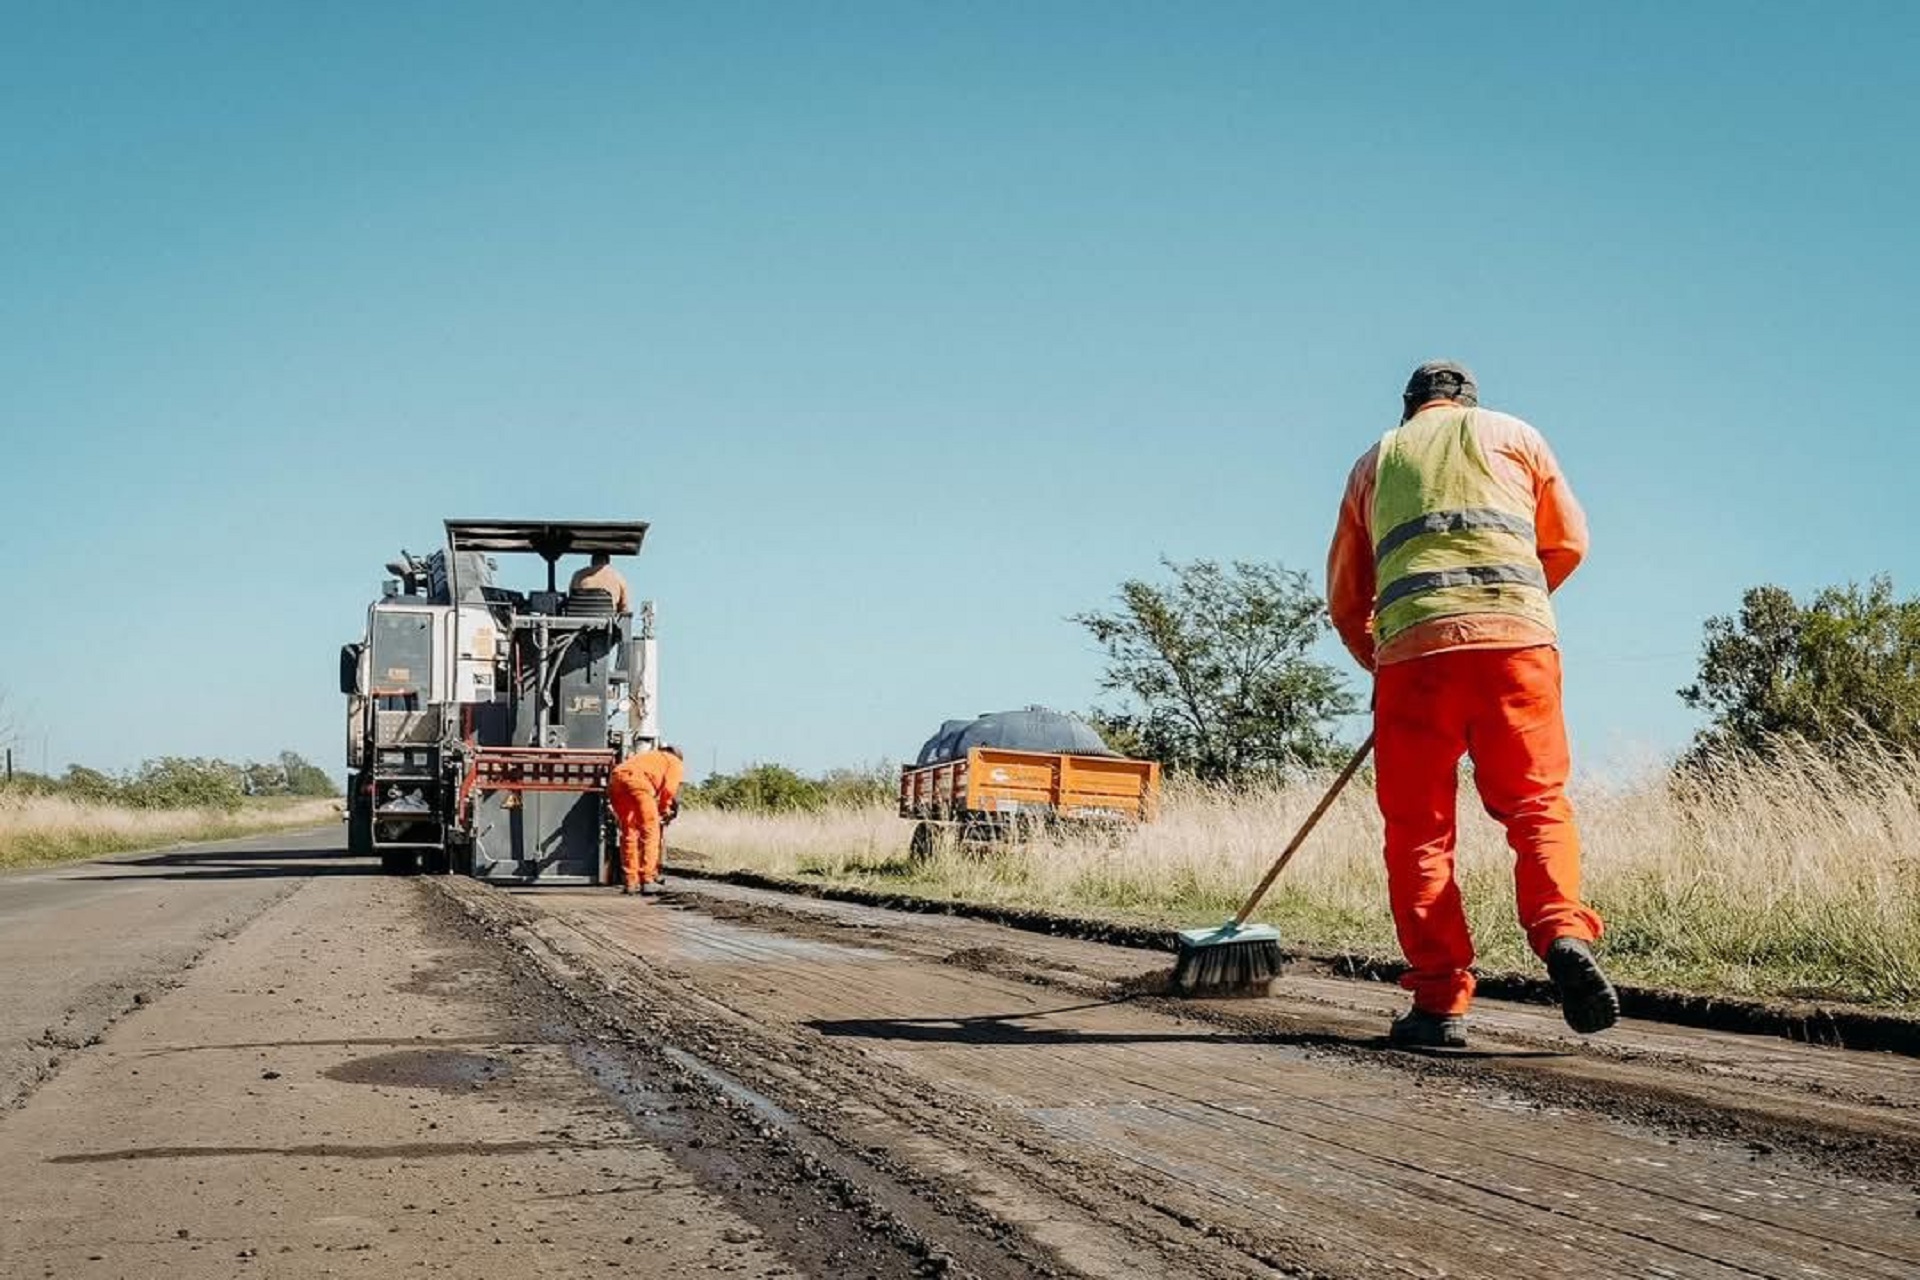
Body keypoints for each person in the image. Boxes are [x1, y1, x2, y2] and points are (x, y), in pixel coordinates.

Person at [1325, 360, 1619, 1048]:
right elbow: (1569, 541)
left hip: (1414, 661)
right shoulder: (1518, 436)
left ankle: (1439, 1003)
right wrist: (1511, 607)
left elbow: (1347, 595)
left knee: (1420, 833)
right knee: (1537, 804)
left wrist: (1382, 655)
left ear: (1410, 410)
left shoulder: (1376, 463)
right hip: (1519, 647)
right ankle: (1562, 932)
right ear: (1469, 404)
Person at [608, 744, 684, 896]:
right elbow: (669, 789)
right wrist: (664, 809)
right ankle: (647, 880)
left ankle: (630, 882)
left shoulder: (647, 757)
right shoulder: (674, 762)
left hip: (616, 779)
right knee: (651, 830)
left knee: (628, 831)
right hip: (638, 783)